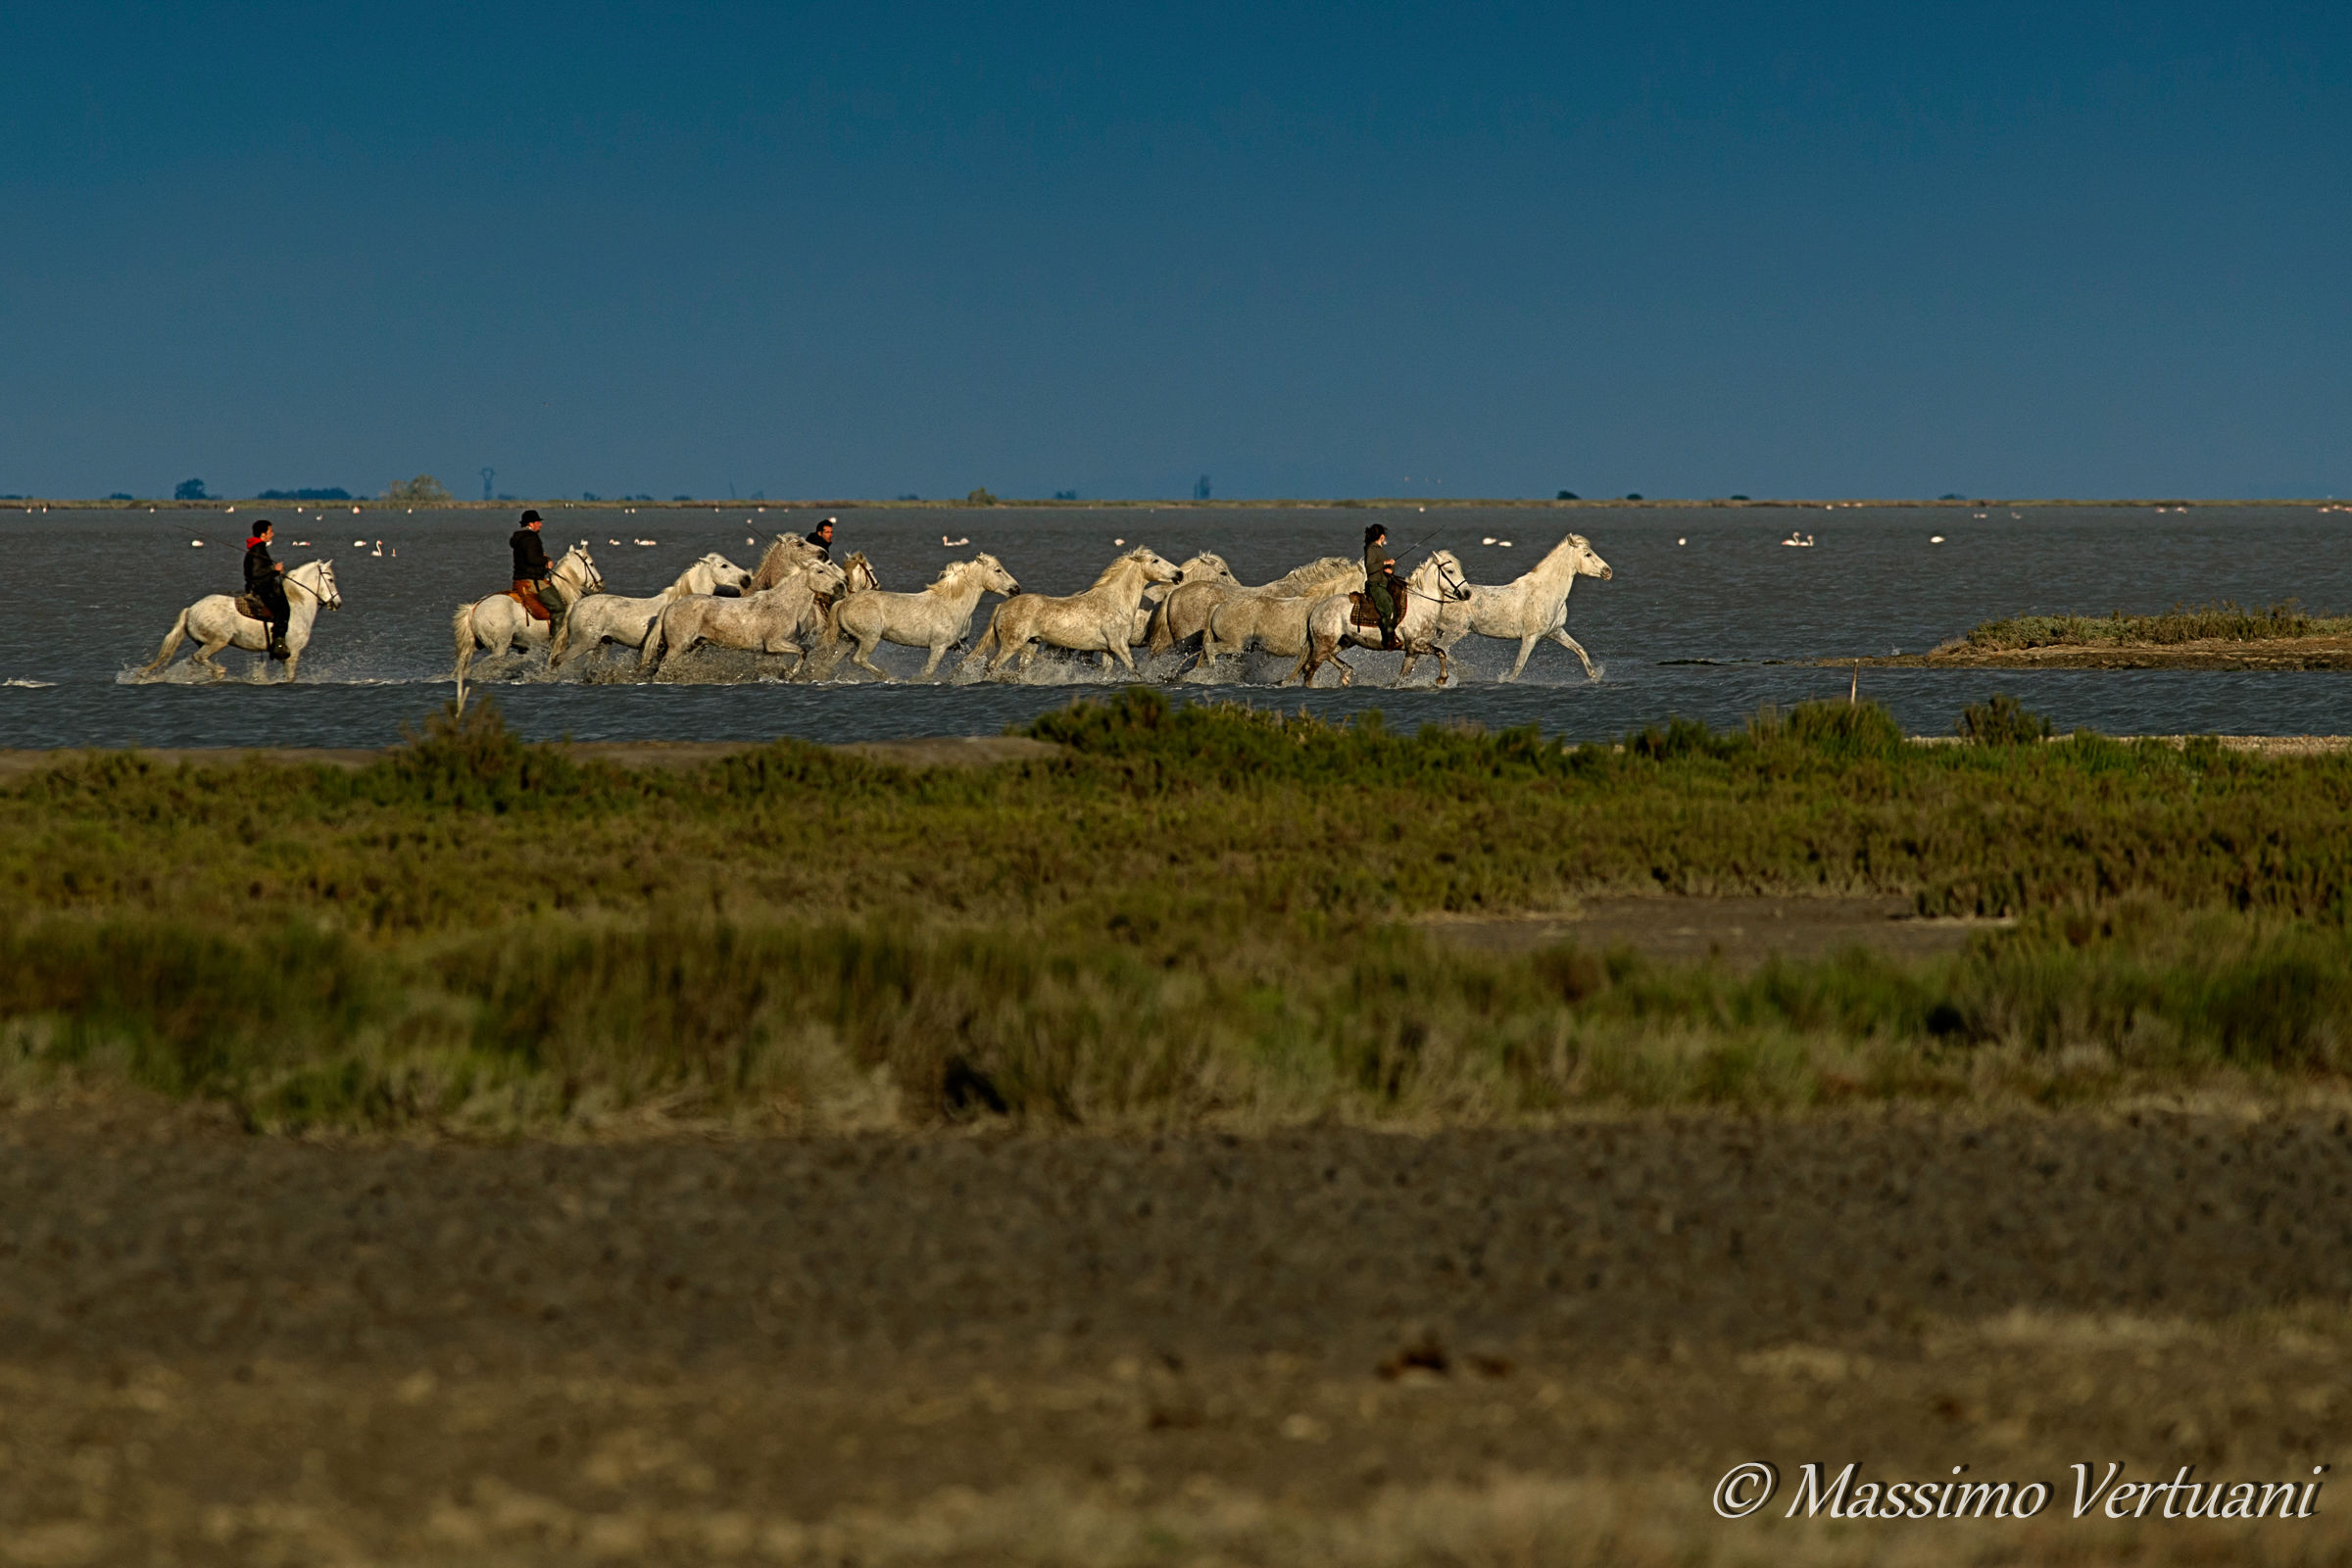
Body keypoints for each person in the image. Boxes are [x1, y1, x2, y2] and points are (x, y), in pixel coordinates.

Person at [242, 518, 292, 660]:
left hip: (261, 584)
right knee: (283, 608)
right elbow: (257, 573)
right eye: (270, 531)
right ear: (262, 535)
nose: (273, 534)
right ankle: (278, 643)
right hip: (260, 588)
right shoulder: (258, 548)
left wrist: (275, 572)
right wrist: (274, 569)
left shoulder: (258, 547)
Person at [508, 508, 562, 629]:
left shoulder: (519, 537)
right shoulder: (531, 538)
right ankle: (556, 642)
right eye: (538, 522)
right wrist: (546, 561)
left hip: (519, 579)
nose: (540, 525)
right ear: (531, 524)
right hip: (532, 581)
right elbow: (532, 559)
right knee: (559, 608)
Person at [1362, 522, 1402, 651]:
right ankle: (1389, 640)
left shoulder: (1380, 549)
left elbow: (1384, 567)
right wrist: (1385, 563)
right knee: (1388, 609)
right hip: (1376, 585)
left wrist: (1391, 570)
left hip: (1385, 584)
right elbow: (1370, 567)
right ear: (1381, 536)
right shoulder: (1371, 548)